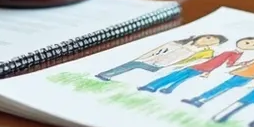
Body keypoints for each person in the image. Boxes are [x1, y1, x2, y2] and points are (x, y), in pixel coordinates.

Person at [181, 41, 254, 108]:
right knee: (221, 87)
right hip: (239, 74)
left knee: (225, 89)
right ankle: (198, 99)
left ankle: (202, 101)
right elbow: (247, 63)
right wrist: (236, 66)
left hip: (248, 79)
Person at [139, 36, 254, 94]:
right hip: (201, 65)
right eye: (248, 42)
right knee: (179, 76)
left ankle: (156, 87)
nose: (249, 45)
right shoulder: (226, 49)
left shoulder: (235, 54)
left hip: (203, 67)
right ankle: (159, 87)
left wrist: (243, 63)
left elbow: (226, 64)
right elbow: (216, 59)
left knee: (178, 77)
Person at [94, 34, 226, 82]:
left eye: (212, 41)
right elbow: (157, 51)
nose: (207, 41)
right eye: (208, 38)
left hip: (163, 65)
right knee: (131, 65)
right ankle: (106, 74)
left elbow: (189, 61)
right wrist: (144, 58)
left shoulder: (201, 52)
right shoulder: (176, 43)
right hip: (149, 60)